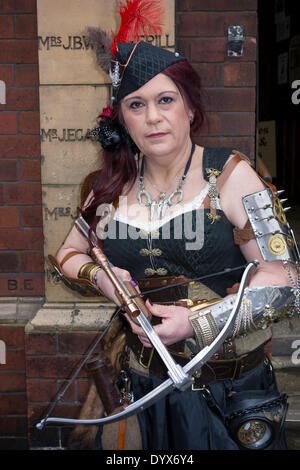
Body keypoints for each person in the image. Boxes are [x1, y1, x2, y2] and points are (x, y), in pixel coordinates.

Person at [53, 1, 300, 451]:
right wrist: (102, 280)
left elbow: (286, 281)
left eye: (166, 100)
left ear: (189, 107)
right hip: (145, 390)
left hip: (231, 394)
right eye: (136, 105)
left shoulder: (231, 175)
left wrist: (197, 322)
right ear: (122, 120)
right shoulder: (107, 186)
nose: (152, 117)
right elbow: (66, 256)